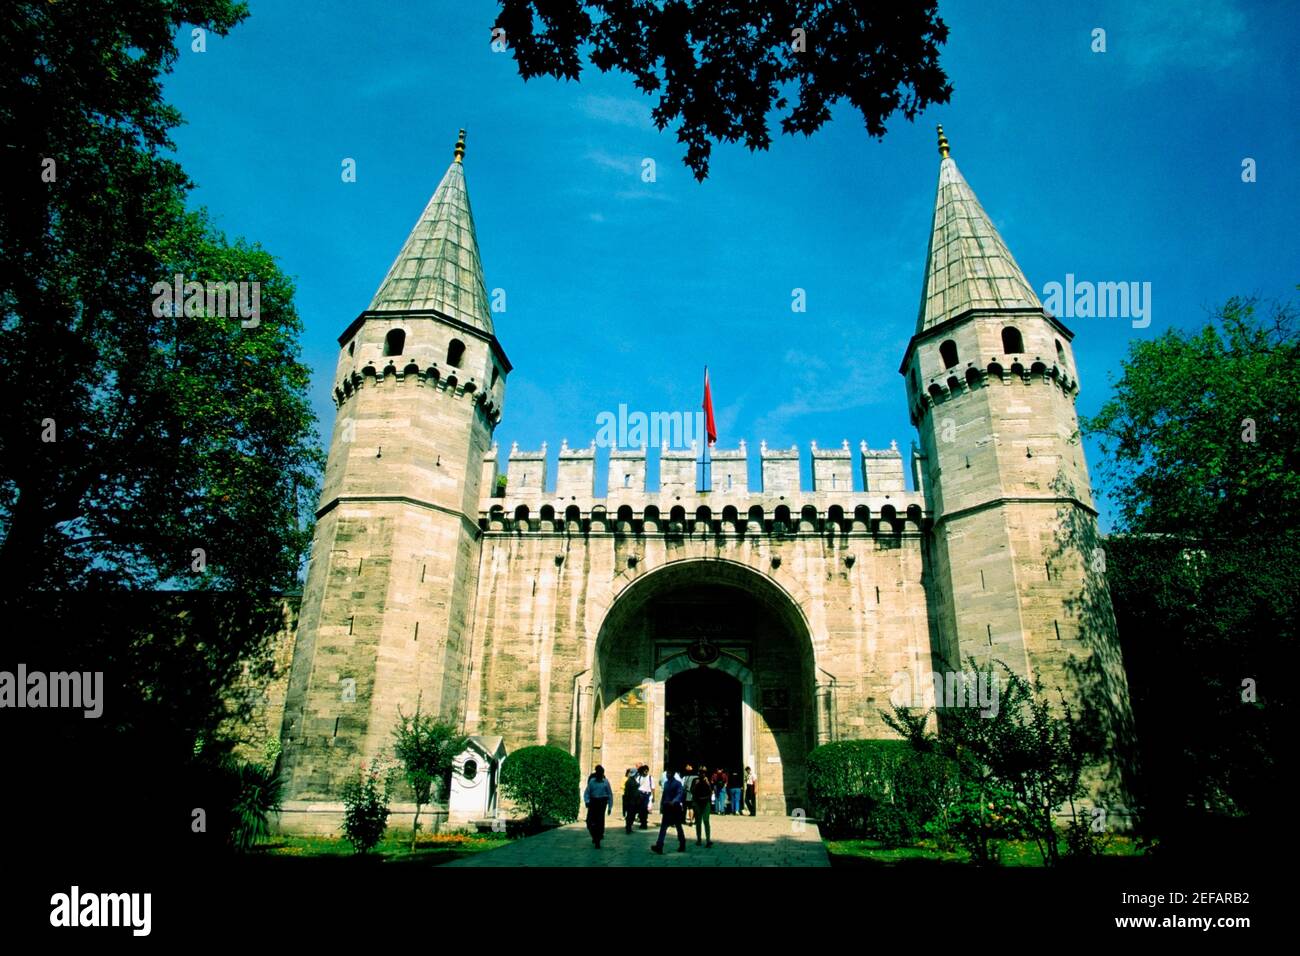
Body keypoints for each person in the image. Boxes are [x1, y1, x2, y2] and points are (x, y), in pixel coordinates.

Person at [651, 766, 687, 854]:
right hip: (667, 808)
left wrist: (674, 801)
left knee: (678, 826)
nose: (667, 775)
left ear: (673, 774)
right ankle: (659, 845)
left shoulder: (678, 783)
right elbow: (664, 795)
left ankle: (682, 843)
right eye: (667, 773)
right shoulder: (666, 783)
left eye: (669, 773)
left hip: (675, 808)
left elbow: (680, 794)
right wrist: (662, 805)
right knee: (663, 827)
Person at [583, 765, 613, 848]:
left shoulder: (606, 782)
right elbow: (587, 793)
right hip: (593, 802)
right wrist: (587, 801)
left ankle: (598, 838)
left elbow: (610, 794)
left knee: (599, 821)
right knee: (589, 821)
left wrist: (610, 807)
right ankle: (594, 835)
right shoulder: (592, 782)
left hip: (602, 802)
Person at [691, 764, 713, 847]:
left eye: (704, 772)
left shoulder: (708, 781)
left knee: (706, 821)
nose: (702, 774)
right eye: (701, 772)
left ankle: (708, 840)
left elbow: (711, 792)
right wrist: (696, 784)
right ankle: (699, 839)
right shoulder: (695, 780)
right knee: (698, 822)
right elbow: (692, 791)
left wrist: (708, 783)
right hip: (697, 803)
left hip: (706, 803)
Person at [622, 767, 640, 834]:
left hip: (632, 801)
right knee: (630, 815)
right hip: (632, 801)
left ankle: (629, 827)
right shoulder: (630, 781)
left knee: (631, 815)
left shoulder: (631, 780)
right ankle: (628, 827)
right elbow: (628, 793)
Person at [636, 764, 653, 829]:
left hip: (647, 794)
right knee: (640, 809)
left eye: (647, 771)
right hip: (640, 794)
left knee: (645, 809)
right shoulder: (639, 777)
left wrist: (653, 796)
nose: (645, 772)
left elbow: (653, 787)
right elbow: (636, 785)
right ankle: (642, 822)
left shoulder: (650, 778)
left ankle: (644, 823)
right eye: (644, 771)